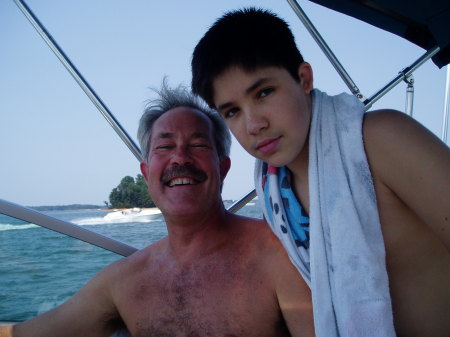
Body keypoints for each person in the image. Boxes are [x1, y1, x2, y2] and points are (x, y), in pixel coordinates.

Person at [191, 7, 450, 337]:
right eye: (232, 111)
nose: (254, 124)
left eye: (264, 93)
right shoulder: (274, 191)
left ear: (304, 79)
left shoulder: (382, 140)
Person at [0, 83, 314, 337]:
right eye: (165, 146)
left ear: (224, 167)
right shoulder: (125, 281)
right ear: (147, 171)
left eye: (198, 145)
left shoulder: (281, 256)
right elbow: (28, 333)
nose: (180, 158)